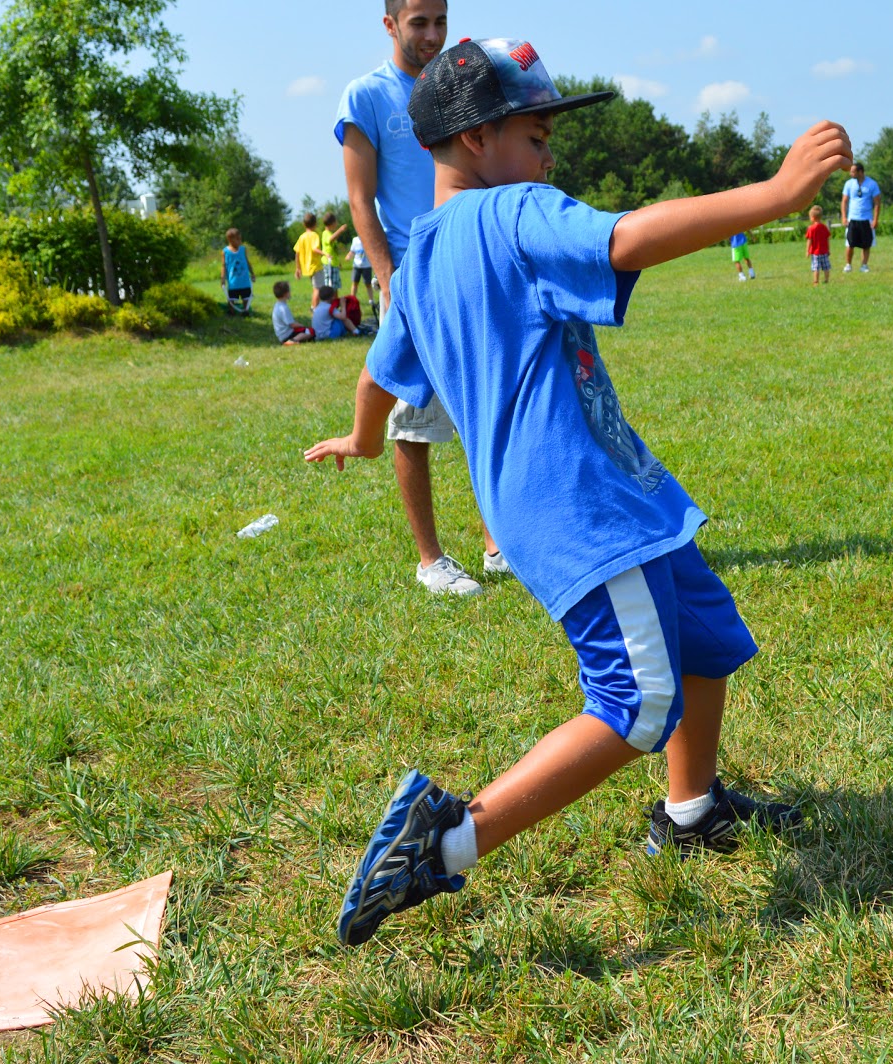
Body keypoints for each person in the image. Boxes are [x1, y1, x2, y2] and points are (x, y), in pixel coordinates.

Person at [304, 37, 851, 945]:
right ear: (478, 138)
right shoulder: (512, 210)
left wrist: (363, 441)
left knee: (706, 643)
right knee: (634, 703)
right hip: (578, 502)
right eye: (537, 133)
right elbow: (625, 237)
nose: (550, 155)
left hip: (616, 490)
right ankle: (444, 846)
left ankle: (691, 811)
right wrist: (779, 194)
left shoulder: (422, 255)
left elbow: (382, 372)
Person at [334, 0, 502, 596]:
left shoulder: (460, 83)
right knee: (413, 420)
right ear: (390, 25)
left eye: (440, 22)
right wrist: (387, 279)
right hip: (409, 276)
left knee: (486, 406)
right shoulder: (366, 96)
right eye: (418, 23)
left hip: (468, 265)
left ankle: (496, 544)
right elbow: (360, 199)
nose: (432, 35)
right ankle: (431, 559)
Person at [840, 161, 880, 273]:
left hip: (867, 219)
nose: (850, 173)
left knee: (866, 244)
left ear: (860, 172)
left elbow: (877, 203)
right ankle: (848, 265)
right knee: (850, 243)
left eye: (853, 171)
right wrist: (844, 217)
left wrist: (876, 219)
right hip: (852, 219)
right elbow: (844, 201)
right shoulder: (849, 184)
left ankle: (864, 265)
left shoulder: (872, 184)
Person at [293, 213, 325, 309]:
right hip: (315, 266)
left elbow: (297, 253)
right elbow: (315, 248)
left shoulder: (301, 237)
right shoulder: (314, 235)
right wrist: (325, 254)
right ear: (315, 224)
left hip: (307, 267)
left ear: (304, 224)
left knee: (315, 288)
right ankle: (314, 308)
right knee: (317, 289)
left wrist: (298, 268)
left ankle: (314, 306)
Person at [221, 227, 255, 313]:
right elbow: (223, 266)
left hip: (244, 281)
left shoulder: (243, 249)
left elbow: (247, 262)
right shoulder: (225, 252)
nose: (240, 241)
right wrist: (222, 279)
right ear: (230, 240)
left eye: (240, 239)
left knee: (246, 298)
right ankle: (231, 312)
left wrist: (252, 273)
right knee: (231, 299)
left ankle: (246, 311)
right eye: (237, 239)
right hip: (233, 282)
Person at [271, 280, 315, 344]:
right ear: (285, 294)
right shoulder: (283, 308)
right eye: (289, 291)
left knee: (307, 330)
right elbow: (292, 325)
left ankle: (292, 340)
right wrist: (301, 325)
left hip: (281, 335)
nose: (290, 292)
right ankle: (292, 341)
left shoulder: (278, 305)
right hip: (287, 335)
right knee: (311, 332)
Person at [346, 234, 378, 319]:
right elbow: (352, 251)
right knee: (355, 283)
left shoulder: (367, 237)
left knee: (368, 284)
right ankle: (353, 299)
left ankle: (371, 300)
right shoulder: (355, 240)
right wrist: (349, 255)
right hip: (357, 266)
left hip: (366, 266)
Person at [805, 206, 831, 285]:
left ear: (813, 217)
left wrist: (807, 251)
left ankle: (816, 281)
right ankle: (826, 280)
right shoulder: (824, 227)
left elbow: (809, 240)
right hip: (824, 251)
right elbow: (827, 239)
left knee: (816, 268)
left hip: (815, 252)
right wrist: (828, 249)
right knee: (826, 267)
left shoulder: (811, 228)